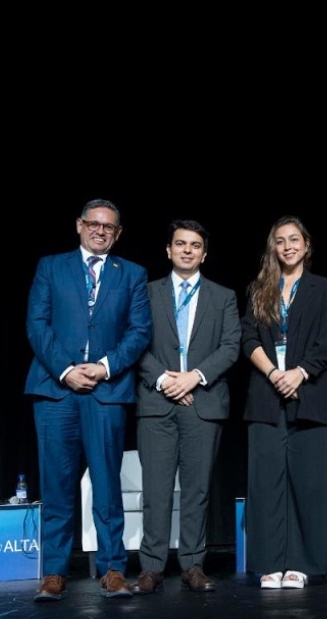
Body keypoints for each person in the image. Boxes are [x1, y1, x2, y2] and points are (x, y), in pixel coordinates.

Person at [25, 198, 152, 601]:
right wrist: (66, 369)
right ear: (79, 225)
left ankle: (113, 568)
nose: (100, 230)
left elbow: (139, 331)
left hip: (106, 391)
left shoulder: (131, 273)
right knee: (57, 484)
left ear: (117, 233)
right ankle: (54, 572)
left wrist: (104, 367)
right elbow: (37, 324)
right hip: (55, 388)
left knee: (106, 485)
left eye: (109, 227)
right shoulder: (51, 266)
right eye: (94, 223)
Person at [131, 219, 240, 595]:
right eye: (181, 244)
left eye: (195, 245)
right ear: (168, 250)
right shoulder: (145, 293)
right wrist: (166, 380)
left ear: (204, 253)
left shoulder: (223, 296)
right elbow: (134, 344)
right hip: (156, 403)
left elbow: (230, 346)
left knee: (197, 491)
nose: (188, 250)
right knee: (156, 490)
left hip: (203, 403)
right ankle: (151, 568)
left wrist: (193, 377)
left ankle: (193, 565)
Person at [241, 215, 327, 590]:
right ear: (273, 248)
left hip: (310, 395)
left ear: (307, 245)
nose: (288, 246)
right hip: (266, 397)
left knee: (308, 482)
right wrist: (273, 374)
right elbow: (248, 338)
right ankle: (268, 563)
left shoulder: (325, 289)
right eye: (280, 241)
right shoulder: (258, 289)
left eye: (294, 239)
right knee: (265, 483)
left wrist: (298, 374)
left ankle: (302, 563)